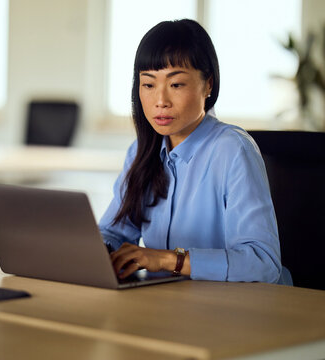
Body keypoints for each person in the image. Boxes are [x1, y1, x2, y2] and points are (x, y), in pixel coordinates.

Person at [99, 19, 292, 285]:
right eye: (148, 84)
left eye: (176, 85)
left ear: (208, 85)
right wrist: (95, 249)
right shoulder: (142, 151)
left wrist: (168, 259)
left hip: (236, 311)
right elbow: (113, 232)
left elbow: (262, 263)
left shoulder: (233, 150)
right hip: (165, 305)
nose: (161, 101)